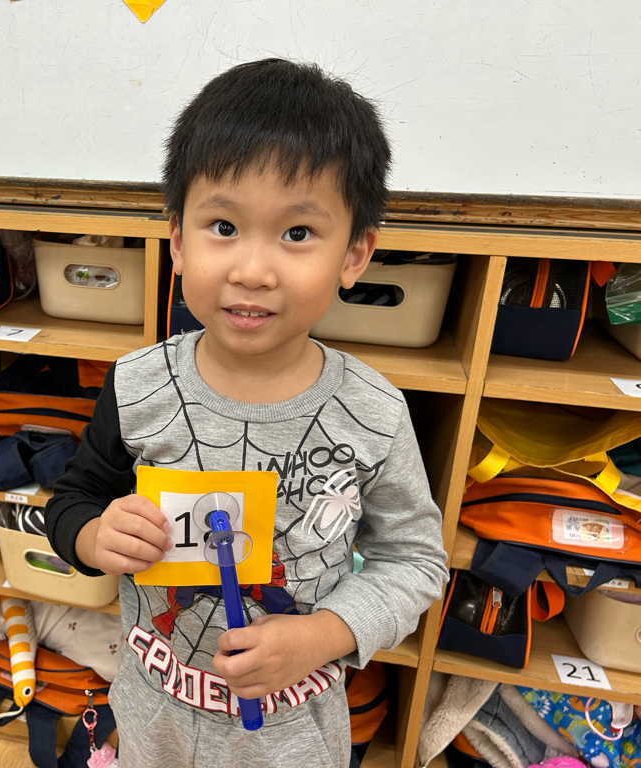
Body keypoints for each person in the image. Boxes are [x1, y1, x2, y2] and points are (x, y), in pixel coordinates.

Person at [44, 58, 449, 767]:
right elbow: (72, 500)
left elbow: (415, 561)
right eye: (223, 225)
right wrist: (93, 535)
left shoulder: (374, 413)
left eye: (297, 234)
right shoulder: (138, 386)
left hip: (293, 739)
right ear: (178, 239)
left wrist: (324, 634)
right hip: (152, 721)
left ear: (355, 254)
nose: (252, 271)